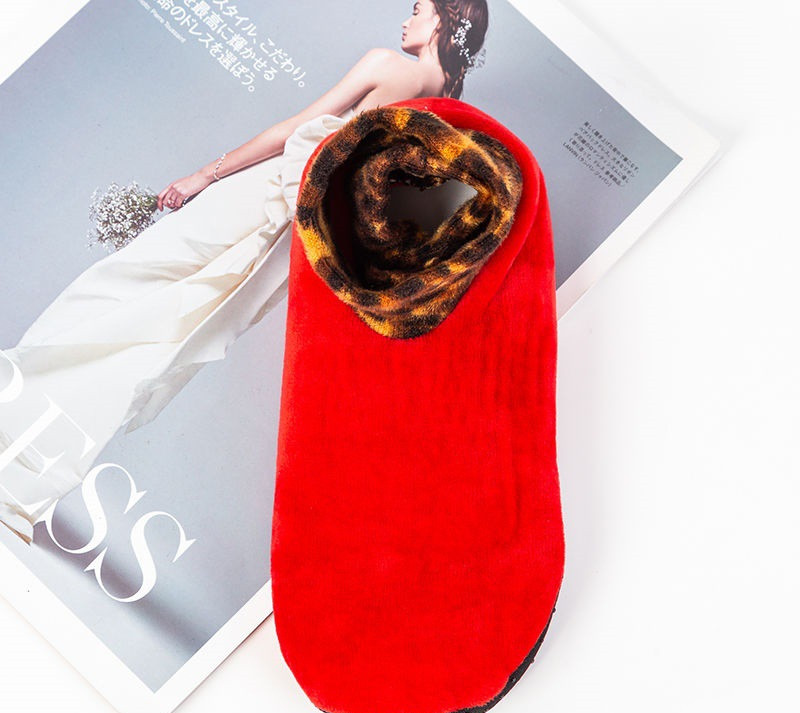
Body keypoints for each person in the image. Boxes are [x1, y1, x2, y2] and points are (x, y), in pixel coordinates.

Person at [0, 0, 489, 545]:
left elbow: (294, 129)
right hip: (290, 247)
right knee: (165, 345)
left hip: (260, 200)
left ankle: (12, 422)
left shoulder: (387, 65)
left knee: (123, 288)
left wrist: (203, 175)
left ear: (443, 20)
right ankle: (29, 477)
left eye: (417, 8)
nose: (406, 18)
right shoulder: (445, 121)